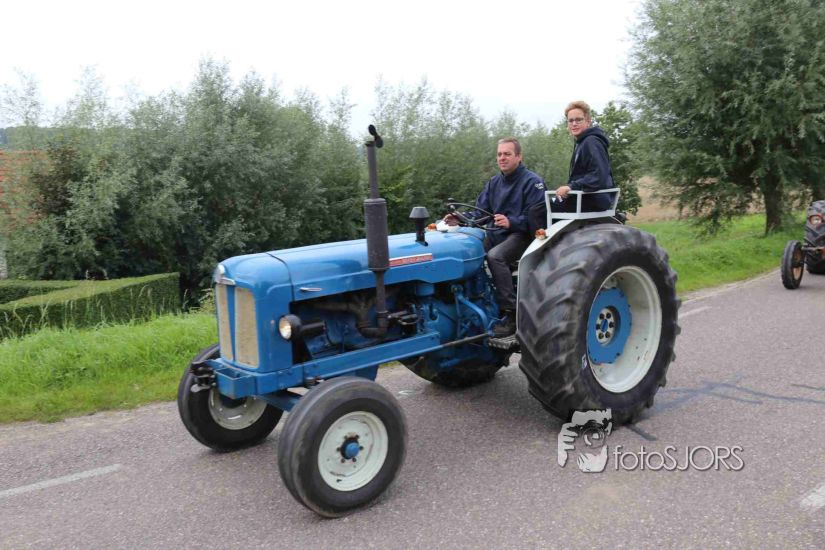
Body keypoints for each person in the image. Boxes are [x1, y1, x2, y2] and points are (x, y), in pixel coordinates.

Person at [445, 138, 546, 337]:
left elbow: (537, 219)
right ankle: (471, 301)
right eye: (499, 154)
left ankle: (510, 313)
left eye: (507, 154)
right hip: (496, 233)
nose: (502, 158)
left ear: (519, 156)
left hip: (522, 234)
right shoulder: (494, 183)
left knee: (495, 257)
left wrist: (511, 222)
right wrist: (460, 218)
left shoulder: (533, 182)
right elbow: (481, 212)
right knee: (467, 251)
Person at [555, 101, 615, 213]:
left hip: (594, 198)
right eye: (570, 121)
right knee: (549, 202)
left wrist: (571, 187)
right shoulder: (582, 143)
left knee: (537, 210)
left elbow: (598, 175)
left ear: (588, 121)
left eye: (578, 120)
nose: (574, 124)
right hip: (585, 196)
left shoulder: (591, 142)